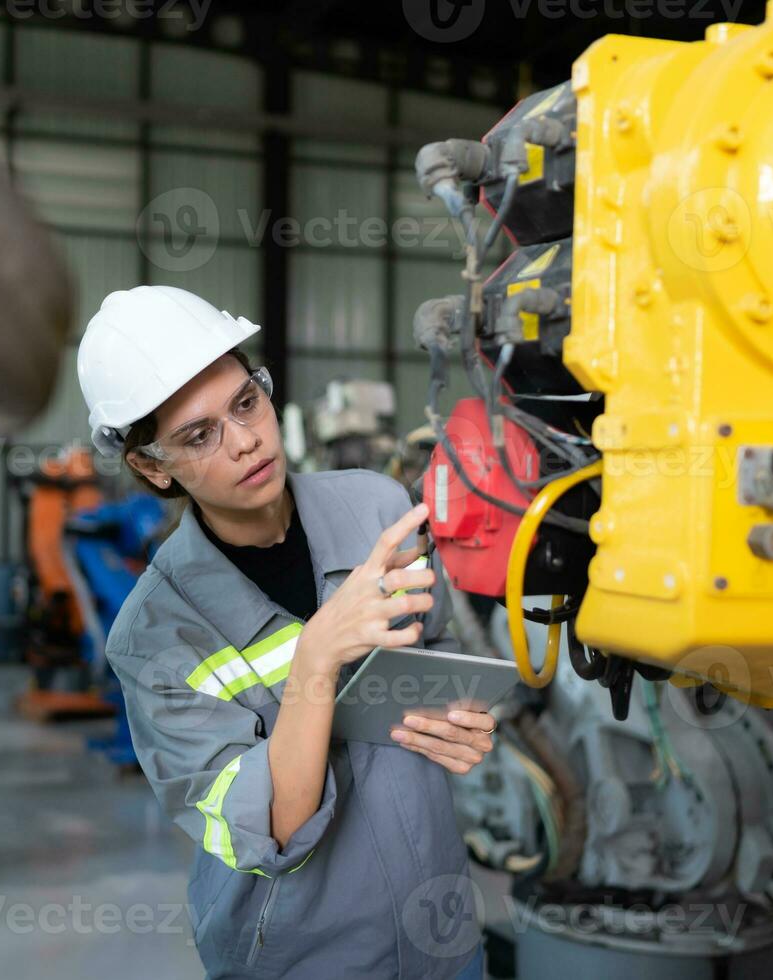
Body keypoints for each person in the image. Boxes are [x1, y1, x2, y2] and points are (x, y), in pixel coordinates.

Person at [78, 285, 495, 980]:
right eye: (198, 434)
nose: (245, 441)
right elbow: (271, 829)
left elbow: (438, 654)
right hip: (301, 954)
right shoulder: (154, 636)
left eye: (245, 402)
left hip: (439, 928)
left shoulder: (376, 507)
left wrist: (463, 716)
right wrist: (316, 659)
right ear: (152, 467)